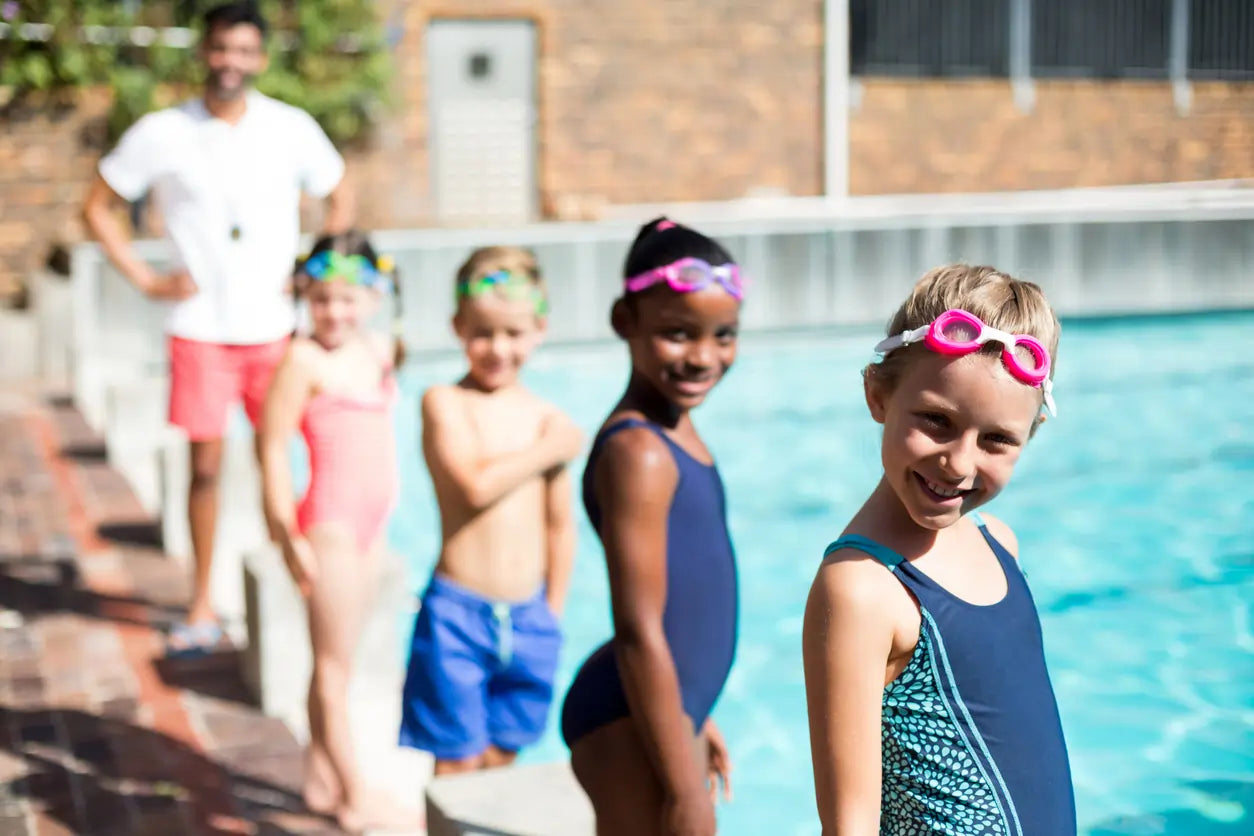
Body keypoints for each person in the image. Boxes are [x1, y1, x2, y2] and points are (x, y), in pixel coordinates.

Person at [81, 0, 354, 655]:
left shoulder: (290, 127)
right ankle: (203, 603)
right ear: (203, 52)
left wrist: (315, 269)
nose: (230, 62)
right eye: (220, 48)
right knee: (205, 471)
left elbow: (341, 193)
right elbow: (97, 207)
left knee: (280, 465)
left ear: (259, 58)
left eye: (243, 50)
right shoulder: (162, 131)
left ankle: (294, 594)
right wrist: (146, 280)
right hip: (200, 328)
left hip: (274, 329)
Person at [802, 265, 1076, 834]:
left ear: (1032, 435)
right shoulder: (862, 587)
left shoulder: (998, 543)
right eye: (936, 421)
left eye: (997, 439)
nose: (958, 463)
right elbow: (848, 824)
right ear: (878, 394)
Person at [560, 218, 741, 836]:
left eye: (724, 335)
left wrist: (695, 713)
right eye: (676, 333)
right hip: (625, 717)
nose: (703, 356)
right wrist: (686, 791)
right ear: (624, 320)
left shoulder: (673, 427)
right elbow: (639, 629)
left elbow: (686, 605)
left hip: (662, 707)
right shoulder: (637, 452)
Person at [399, 246, 582, 775]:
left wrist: (553, 613)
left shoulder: (546, 417)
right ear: (458, 327)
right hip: (457, 612)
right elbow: (475, 487)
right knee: (455, 766)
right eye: (482, 332)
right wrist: (553, 447)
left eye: (513, 333)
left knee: (503, 758)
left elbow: (559, 527)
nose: (498, 348)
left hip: (529, 617)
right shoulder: (444, 402)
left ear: (539, 329)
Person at [259, 230, 419, 831]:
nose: (334, 312)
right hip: (328, 525)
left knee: (336, 659)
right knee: (333, 669)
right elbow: (271, 448)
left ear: (374, 298)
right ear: (304, 296)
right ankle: (356, 795)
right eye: (322, 298)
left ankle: (320, 780)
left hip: (372, 525)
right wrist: (286, 533)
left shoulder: (378, 350)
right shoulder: (302, 360)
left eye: (348, 298)